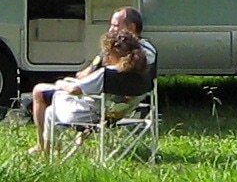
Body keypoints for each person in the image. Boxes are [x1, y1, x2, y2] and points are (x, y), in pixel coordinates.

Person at [31, 23, 152, 154]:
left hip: (89, 117)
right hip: (116, 116)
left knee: (51, 108)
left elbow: (75, 90)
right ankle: (55, 149)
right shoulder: (143, 72)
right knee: (53, 108)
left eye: (107, 52)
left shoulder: (108, 73)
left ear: (114, 53)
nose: (105, 56)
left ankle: (47, 153)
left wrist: (62, 84)